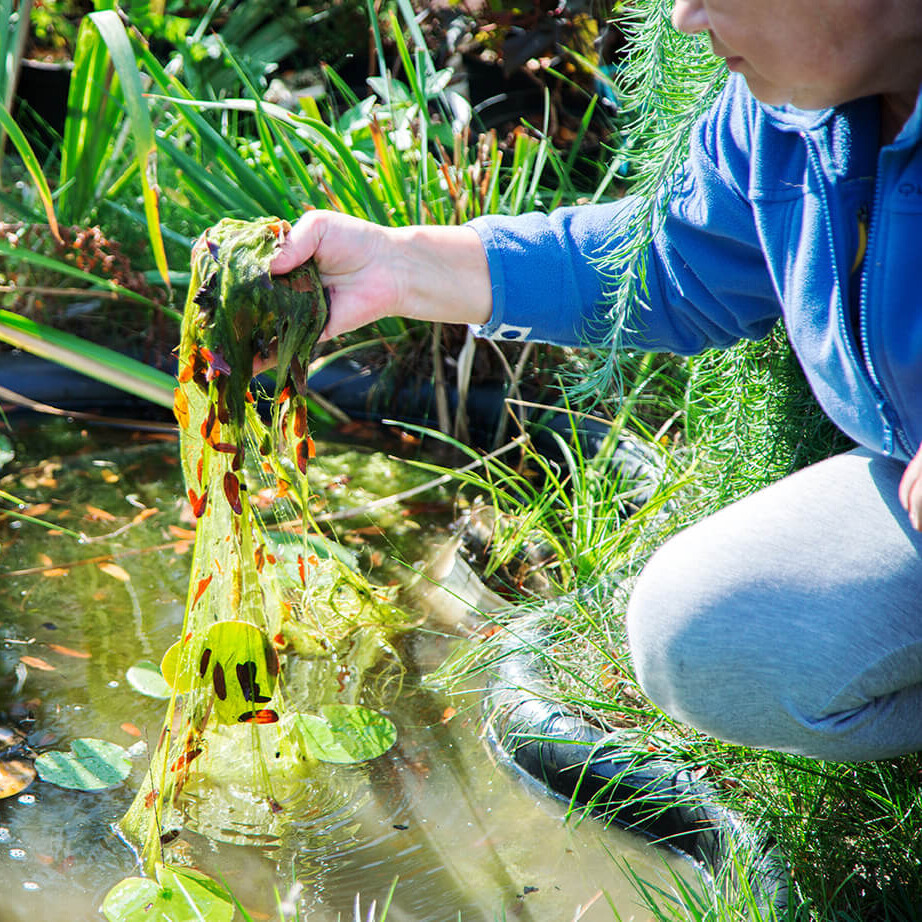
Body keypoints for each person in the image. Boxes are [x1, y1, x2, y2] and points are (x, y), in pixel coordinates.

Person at [269, 0, 922, 762]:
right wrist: (402, 268)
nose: (683, 17)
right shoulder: (792, 119)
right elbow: (674, 267)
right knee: (706, 635)